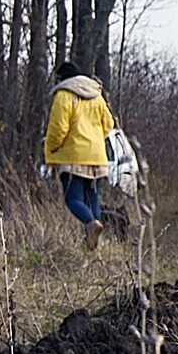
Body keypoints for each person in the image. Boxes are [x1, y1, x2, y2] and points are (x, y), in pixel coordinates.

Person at [41, 63, 118, 251]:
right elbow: (108, 124)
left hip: (74, 156)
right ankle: (94, 245)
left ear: (62, 79)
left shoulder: (64, 95)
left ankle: (91, 224)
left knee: (72, 199)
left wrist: (50, 149)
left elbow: (59, 128)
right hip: (98, 157)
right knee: (92, 197)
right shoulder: (97, 96)